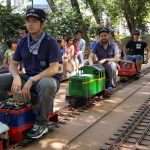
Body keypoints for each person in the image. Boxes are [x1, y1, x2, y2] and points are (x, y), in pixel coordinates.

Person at [0, 8, 61, 139]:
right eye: (28, 21)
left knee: (46, 84)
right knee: (1, 80)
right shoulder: (23, 42)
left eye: (34, 21)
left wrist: (32, 79)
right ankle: (6, 112)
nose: (30, 24)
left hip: (47, 79)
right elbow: (13, 64)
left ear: (42, 23)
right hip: (28, 78)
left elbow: (54, 68)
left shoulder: (51, 42)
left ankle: (41, 124)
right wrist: (16, 76)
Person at [89, 28, 120, 95]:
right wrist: (91, 65)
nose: (103, 37)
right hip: (100, 64)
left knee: (111, 65)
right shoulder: (97, 45)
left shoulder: (113, 45)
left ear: (108, 36)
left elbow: (117, 58)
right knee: (88, 66)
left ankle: (111, 86)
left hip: (111, 63)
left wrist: (106, 59)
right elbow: (90, 56)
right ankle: (94, 86)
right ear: (99, 37)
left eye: (105, 35)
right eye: (101, 36)